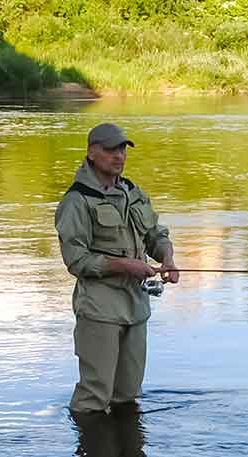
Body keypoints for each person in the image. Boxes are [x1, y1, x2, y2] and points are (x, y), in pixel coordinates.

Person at [55, 122, 179, 413]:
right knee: (94, 397)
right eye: (111, 149)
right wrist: (125, 265)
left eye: (123, 149)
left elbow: (156, 236)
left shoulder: (133, 192)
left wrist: (168, 258)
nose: (119, 155)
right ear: (92, 153)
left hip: (136, 308)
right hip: (99, 310)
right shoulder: (76, 201)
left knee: (128, 394)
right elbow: (76, 260)